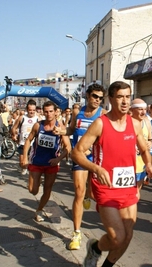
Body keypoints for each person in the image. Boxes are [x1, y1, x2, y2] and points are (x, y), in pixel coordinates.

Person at [71, 81, 152, 267]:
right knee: (117, 237)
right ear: (110, 99)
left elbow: (143, 149)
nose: (125, 102)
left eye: (128, 97)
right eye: (120, 97)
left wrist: (149, 164)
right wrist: (96, 168)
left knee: (127, 235)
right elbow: (77, 152)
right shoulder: (100, 124)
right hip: (106, 187)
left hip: (128, 186)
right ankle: (95, 248)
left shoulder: (135, 124)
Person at [53, 83, 106, 250]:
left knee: (91, 192)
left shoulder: (103, 114)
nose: (98, 100)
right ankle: (76, 233)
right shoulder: (77, 112)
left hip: (95, 158)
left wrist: (94, 144)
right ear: (88, 96)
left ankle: (88, 196)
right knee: (78, 191)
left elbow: (105, 137)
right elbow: (71, 129)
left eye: (100, 98)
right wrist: (61, 132)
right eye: (95, 96)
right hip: (79, 156)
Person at [22, 101, 72, 222]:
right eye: (46, 111)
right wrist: (24, 157)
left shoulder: (60, 127)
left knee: (47, 189)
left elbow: (68, 147)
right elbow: (28, 140)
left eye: (51, 111)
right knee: (33, 190)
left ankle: (39, 210)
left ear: (55, 112)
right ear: (43, 112)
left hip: (51, 163)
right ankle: (37, 181)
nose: (48, 114)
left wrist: (58, 159)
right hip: (36, 161)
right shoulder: (38, 125)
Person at [130, 98, 152, 197]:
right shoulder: (126, 122)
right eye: (140, 109)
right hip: (128, 163)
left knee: (137, 192)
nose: (143, 112)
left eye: (145, 109)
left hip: (141, 161)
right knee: (129, 193)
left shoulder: (146, 121)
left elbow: (151, 139)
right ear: (131, 110)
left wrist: (150, 143)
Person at [11, 99, 39, 175]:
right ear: (27, 109)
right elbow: (14, 128)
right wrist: (14, 135)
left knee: (32, 161)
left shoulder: (38, 118)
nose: (32, 112)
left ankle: (31, 173)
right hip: (22, 142)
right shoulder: (22, 118)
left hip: (33, 143)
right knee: (22, 161)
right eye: (30, 110)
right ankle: (23, 167)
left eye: (33, 110)